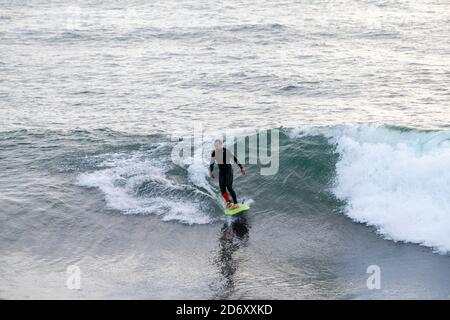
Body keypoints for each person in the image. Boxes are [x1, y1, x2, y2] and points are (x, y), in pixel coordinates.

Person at [209, 139, 245, 209]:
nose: (216, 147)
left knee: (229, 186)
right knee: (222, 189)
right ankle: (228, 203)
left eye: (217, 145)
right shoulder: (214, 153)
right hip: (221, 172)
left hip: (228, 171)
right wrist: (211, 171)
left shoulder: (227, 151)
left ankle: (235, 203)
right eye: (215, 146)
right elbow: (212, 163)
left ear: (221, 144)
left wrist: (241, 167)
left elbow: (235, 159)